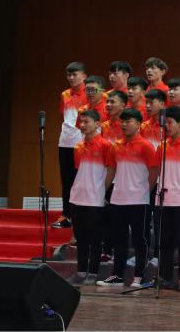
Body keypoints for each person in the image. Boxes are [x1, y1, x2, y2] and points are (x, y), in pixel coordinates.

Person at [96, 108, 158, 287]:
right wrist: (102, 191)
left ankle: (139, 276)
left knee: (140, 239)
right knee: (119, 239)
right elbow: (111, 171)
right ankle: (117, 275)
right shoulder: (116, 146)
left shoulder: (146, 146)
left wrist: (145, 190)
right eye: (122, 121)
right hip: (118, 199)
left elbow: (154, 172)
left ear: (138, 124)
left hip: (139, 200)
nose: (124, 124)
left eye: (128, 121)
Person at [147, 106, 180, 292]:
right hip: (163, 199)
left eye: (170, 123)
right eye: (165, 123)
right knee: (164, 240)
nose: (167, 126)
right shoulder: (162, 145)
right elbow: (155, 170)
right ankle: (164, 276)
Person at [65, 110, 114, 286]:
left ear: (97, 124)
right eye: (81, 122)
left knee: (95, 237)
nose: (82, 125)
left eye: (86, 122)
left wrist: (101, 190)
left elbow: (111, 170)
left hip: (95, 199)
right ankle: (80, 271)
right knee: (81, 237)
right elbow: (79, 171)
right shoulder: (78, 146)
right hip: (77, 197)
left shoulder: (106, 146)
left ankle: (93, 272)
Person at [56, 62, 89, 229]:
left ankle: (80, 215)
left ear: (84, 76)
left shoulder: (90, 93)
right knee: (66, 179)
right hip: (65, 141)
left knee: (80, 179)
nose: (71, 77)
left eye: (75, 74)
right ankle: (66, 214)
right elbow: (64, 116)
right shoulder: (65, 94)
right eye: (69, 75)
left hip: (82, 143)